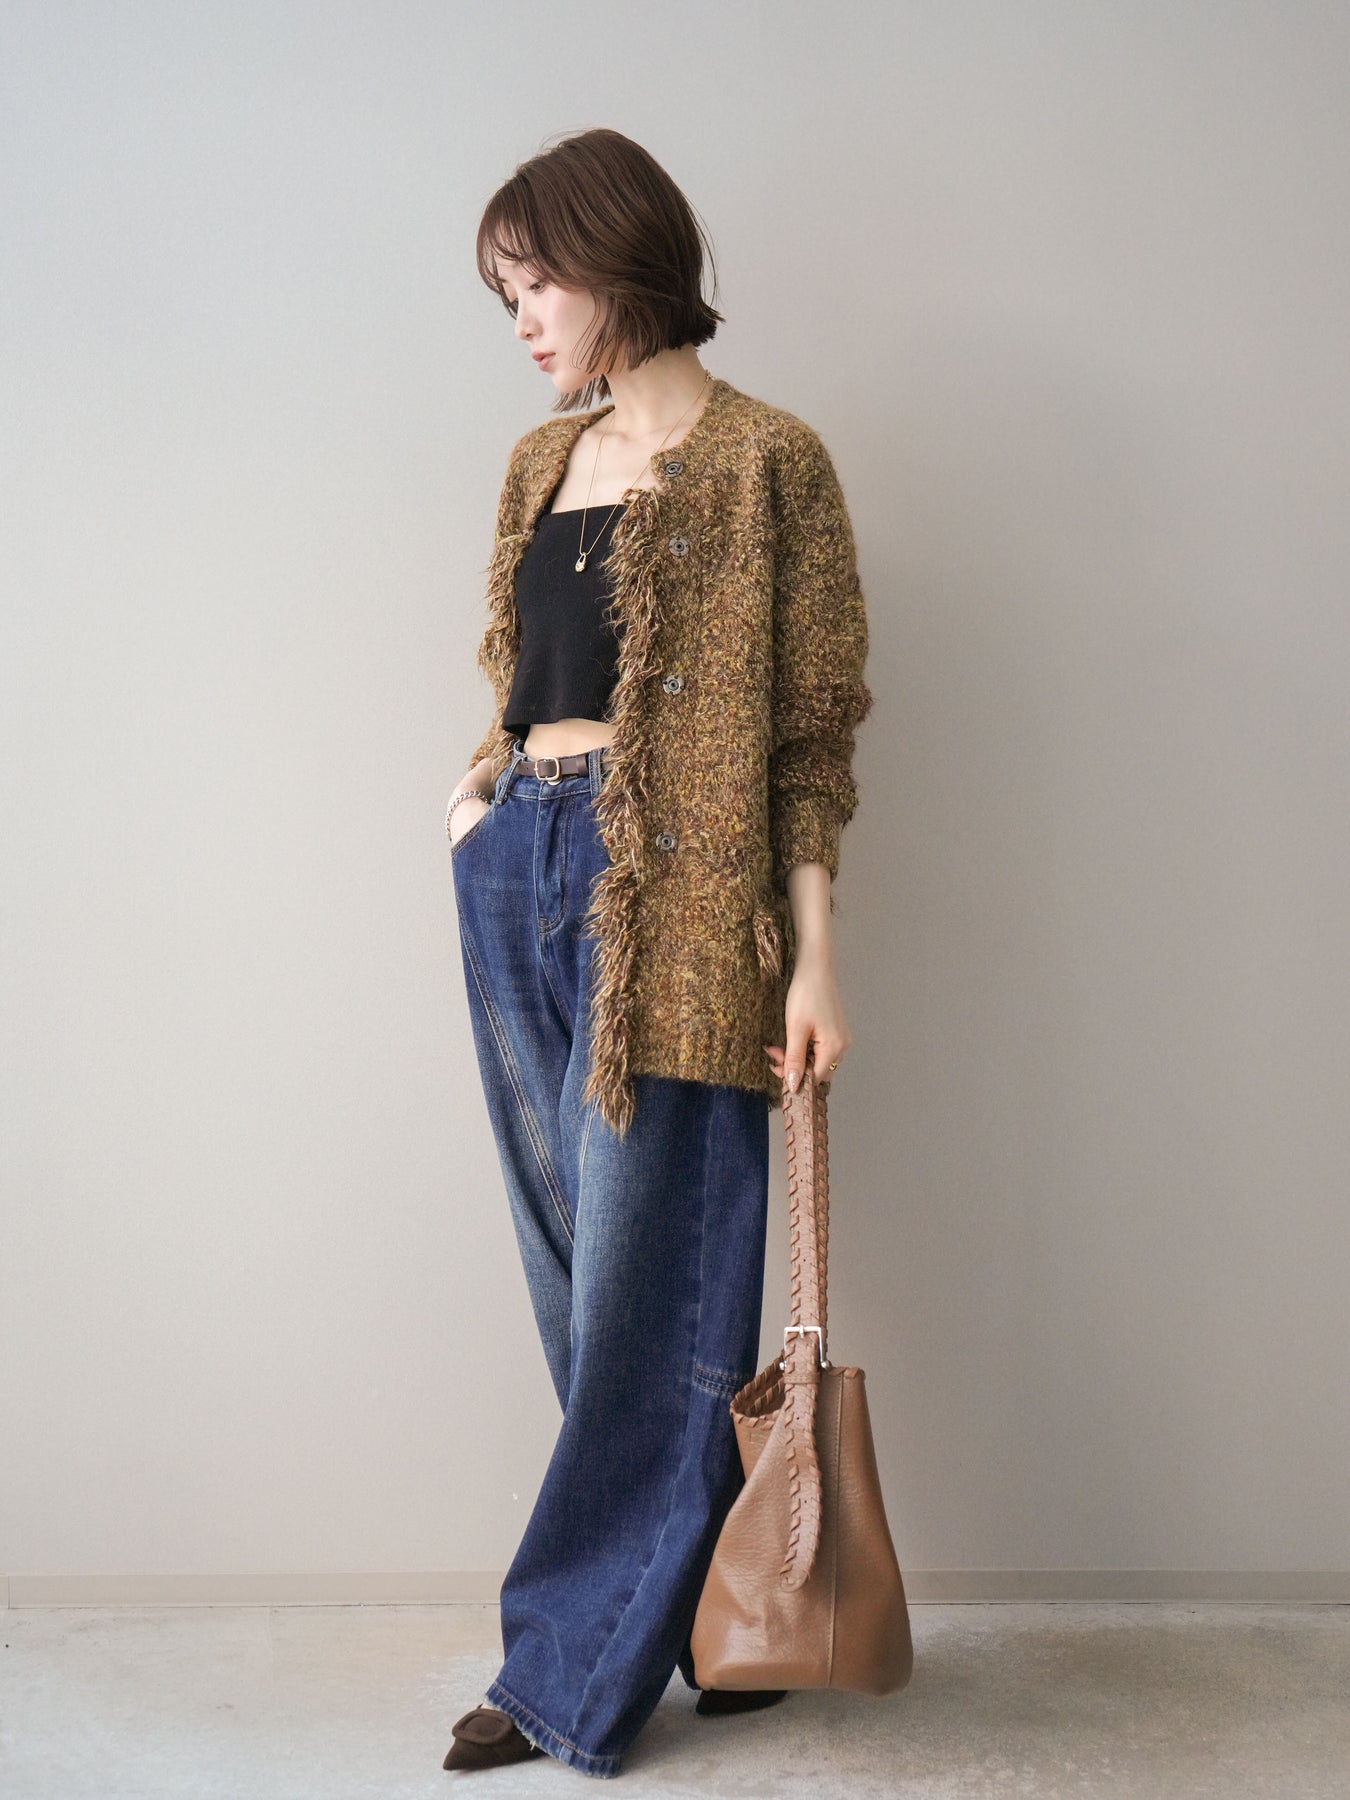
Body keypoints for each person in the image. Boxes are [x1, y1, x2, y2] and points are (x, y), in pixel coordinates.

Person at [442, 127, 873, 1779]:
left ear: (617, 260)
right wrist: (479, 789)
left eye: (534, 282)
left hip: (682, 900)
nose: (522, 319)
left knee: (648, 1284)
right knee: (574, 1275)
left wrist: (811, 959)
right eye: (504, 295)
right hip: (517, 874)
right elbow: (516, 668)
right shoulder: (536, 465)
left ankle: (564, 1670)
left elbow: (809, 737)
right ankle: (701, 1609)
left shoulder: (771, 462)